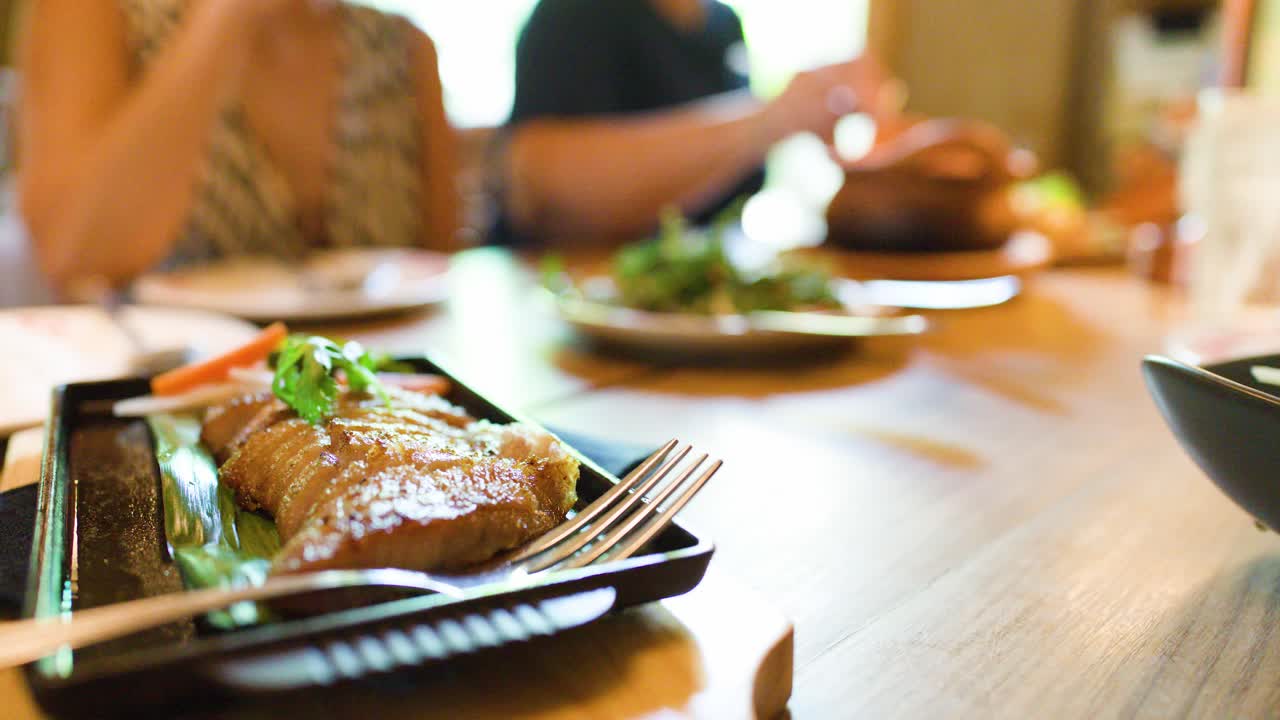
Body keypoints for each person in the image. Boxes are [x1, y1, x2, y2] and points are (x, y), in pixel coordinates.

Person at [17, 0, 461, 292]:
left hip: (376, 406)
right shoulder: (94, 13)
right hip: (161, 403)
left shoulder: (403, 49)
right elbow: (75, 253)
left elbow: (439, 277)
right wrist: (223, 18)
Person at [498, 0, 890, 246]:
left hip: (694, 315)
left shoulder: (722, 24)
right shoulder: (574, 14)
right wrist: (770, 119)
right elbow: (545, 192)